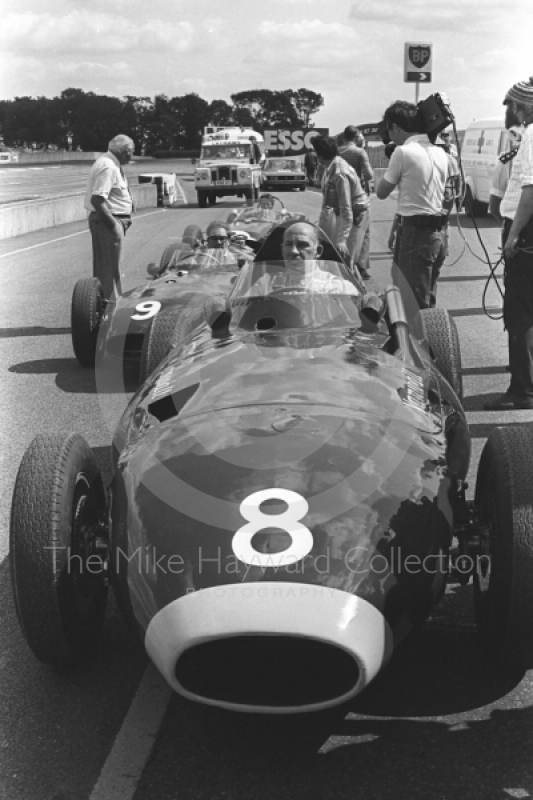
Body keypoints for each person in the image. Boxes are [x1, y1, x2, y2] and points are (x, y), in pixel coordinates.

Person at [484, 77, 533, 410]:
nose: (508, 112)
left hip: (526, 233)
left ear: (521, 106)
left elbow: (529, 192)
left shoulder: (530, 134)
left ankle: (522, 391)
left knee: (519, 314)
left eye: (510, 106)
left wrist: (513, 236)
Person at [376, 101, 449, 309]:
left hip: (415, 234)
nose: (389, 136)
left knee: (411, 303)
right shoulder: (440, 153)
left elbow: (381, 192)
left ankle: (417, 342)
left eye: (389, 130)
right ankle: (430, 340)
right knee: (427, 301)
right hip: (437, 233)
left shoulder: (403, 152)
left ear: (397, 127)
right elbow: (419, 197)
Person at [312, 135, 370, 279]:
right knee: (338, 256)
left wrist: (342, 238)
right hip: (346, 215)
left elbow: (346, 208)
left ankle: (352, 294)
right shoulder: (331, 167)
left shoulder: (339, 173)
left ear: (319, 156)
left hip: (355, 216)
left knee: (346, 260)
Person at [84, 134, 135, 298]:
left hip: (108, 222)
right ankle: (110, 311)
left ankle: (111, 308)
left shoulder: (110, 163)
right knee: (108, 271)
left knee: (110, 268)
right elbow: (97, 199)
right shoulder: (109, 166)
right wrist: (114, 226)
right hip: (107, 222)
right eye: (132, 152)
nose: (132, 155)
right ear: (125, 151)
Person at [251, 222, 359, 296]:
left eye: (302, 245)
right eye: (288, 244)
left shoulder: (337, 287)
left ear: (318, 251)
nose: (293, 251)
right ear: (282, 250)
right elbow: (242, 315)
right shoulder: (266, 283)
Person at [338, 126, 374, 277]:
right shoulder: (360, 152)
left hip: (340, 197)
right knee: (364, 231)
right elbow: (369, 175)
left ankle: (341, 263)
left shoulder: (337, 152)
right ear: (357, 137)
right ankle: (361, 265)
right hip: (358, 197)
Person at [488, 126, 523, 223]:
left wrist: (509, 227)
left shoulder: (506, 163)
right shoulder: (507, 163)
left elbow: (494, 207)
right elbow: (494, 207)